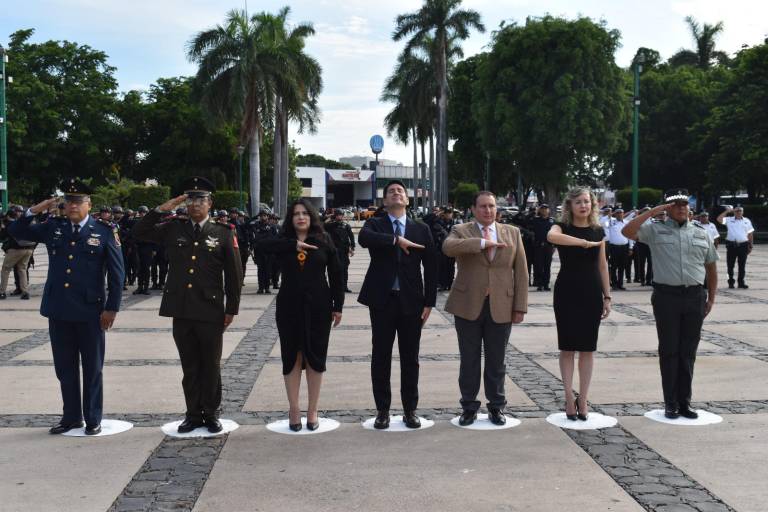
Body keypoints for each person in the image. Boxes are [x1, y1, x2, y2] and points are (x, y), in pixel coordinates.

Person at [9, 178, 124, 435]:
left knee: (92, 368)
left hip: (91, 311)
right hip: (59, 309)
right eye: (69, 202)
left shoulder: (104, 231)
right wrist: (35, 210)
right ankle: (71, 417)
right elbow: (16, 230)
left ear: (89, 204)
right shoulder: (53, 227)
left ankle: (93, 418)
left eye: (78, 201)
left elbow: (117, 275)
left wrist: (111, 309)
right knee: (65, 367)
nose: (73, 206)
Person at [133, 176, 242, 433]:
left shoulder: (224, 233)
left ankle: (211, 413)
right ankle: (193, 414)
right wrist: (164, 208)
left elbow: (234, 276)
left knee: (211, 365)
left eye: (200, 200)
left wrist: (231, 309)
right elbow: (139, 232)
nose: (195, 205)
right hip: (181, 309)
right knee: (189, 365)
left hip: (210, 309)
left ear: (210, 203)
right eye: (191, 199)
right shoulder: (174, 228)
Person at [622, 188, 718, 420]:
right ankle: (671, 403)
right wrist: (654, 211)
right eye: (675, 205)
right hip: (667, 297)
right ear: (667, 208)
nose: (682, 207)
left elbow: (711, 267)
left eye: (684, 204)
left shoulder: (701, 232)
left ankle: (685, 402)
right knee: (669, 351)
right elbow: (627, 230)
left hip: (695, 296)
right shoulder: (655, 230)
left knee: (688, 352)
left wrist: (712, 297)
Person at [257, 199, 344, 431]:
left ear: (312, 216)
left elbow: (336, 275)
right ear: (290, 218)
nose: (301, 217)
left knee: (315, 356)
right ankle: (294, 408)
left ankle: (312, 409)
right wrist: (291, 246)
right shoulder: (282, 240)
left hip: (319, 306)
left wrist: (339, 306)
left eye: (305, 213)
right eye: (296, 214)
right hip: (289, 306)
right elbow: (260, 245)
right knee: (292, 355)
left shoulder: (324, 240)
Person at [442, 191, 528, 426]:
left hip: (502, 305)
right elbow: (448, 248)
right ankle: (468, 406)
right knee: (469, 359)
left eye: (491, 206)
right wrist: (481, 243)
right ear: (473, 208)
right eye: (483, 206)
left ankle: (497, 407)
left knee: (497, 360)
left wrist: (520, 306)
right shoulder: (462, 231)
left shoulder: (512, 232)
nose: (488, 210)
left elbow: (521, 271)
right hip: (468, 305)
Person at [358, 180, 437, 429]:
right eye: (391, 191)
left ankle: (410, 409)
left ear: (407, 200)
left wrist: (429, 302)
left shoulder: (420, 228)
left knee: (410, 357)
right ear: (385, 201)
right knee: (380, 355)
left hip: (411, 302)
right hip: (381, 300)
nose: (396, 193)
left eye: (400, 191)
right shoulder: (375, 224)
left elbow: (432, 266)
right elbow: (363, 238)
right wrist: (395, 240)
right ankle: (382, 410)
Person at [546, 188, 611, 421]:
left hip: (591, 291)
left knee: (587, 348)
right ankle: (567, 396)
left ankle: (583, 398)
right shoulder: (561, 227)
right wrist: (582, 243)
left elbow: (603, 266)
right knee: (567, 347)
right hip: (567, 291)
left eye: (587, 201)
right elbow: (551, 237)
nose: (583, 205)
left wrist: (607, 296)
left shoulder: (598, 230)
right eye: (578, 202)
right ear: (570, 206)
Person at [1, 206, 36, 300]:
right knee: (22, 269)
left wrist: (2, 227)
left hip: (16, 249)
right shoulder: (25, 222)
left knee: (5, 269)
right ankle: (25, 292)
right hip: (29, 249)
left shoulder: (10, 224)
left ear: (8, 216)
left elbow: (3, 236)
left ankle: (2, 292)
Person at [717, 206, 754, 289]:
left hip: (743, 245)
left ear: (743, 212)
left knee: (742, 265)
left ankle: (741, 282)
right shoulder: (729, 219)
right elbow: (719, 219)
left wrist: (751, 245)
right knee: (730, 265)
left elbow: (750, 234)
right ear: (734, 212)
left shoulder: (746, 221)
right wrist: (727, 211)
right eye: (737, 211)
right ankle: (731, 282)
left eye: (740, 211)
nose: (738, 212)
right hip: (731, 245)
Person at [325, 209, 355, 293]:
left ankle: (344, 287)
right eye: (338, 215)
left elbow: (351, 236)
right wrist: (330, 218)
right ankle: (333, 287)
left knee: (344, 269)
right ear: (335, 215)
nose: (340, 216)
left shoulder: (346, 225)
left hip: (344, 251)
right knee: (333, 270)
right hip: (334, 251)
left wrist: (352, 247)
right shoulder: (330, 225)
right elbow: (324, 227)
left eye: (341, 215)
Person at [249, 210, 278, 294]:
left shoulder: (272, 226)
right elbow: (254, 237)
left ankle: (267, 287)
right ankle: (261, 288)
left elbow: (274, 239)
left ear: (267, 216)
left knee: (268, 271)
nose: (263, 217)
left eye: (265, 215)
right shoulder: (255, 225)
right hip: (259, 251)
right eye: (261, 215)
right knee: (260, 270)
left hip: (269, 252)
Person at [606, 208, 636, 290]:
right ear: (615, 214)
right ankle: (614, 284)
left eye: (621, 213)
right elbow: (602, 222)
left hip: (624, 247)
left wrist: (630, 247)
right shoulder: (610, 222)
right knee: (613, 266)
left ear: (623, 214)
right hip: (614, 247)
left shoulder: (626, 223)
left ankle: (620, 284)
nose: (619, 214)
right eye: (618, 213)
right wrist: (609, 214)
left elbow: (630, 235)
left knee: (622, 266)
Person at [530, 204, 555, 291]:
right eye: (542, 209)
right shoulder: (535, 220)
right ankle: (539, 284)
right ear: (540, 210)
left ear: (549, 210)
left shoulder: (552, 221)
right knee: (539, 266)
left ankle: (546, 284)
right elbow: (526, 223)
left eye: (546, 209)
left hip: (548, 246)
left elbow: (555, 234)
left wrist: (554, 246)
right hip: (538, 246)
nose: (544, 210)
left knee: (547, 266)